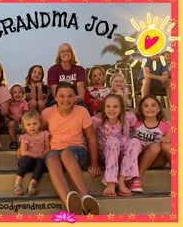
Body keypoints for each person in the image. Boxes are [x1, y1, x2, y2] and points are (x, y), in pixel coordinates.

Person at [42, 82, 101, 215]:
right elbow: (39, 134)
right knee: (51, 159)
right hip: (55, 151)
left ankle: (85, 198)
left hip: (76, 151)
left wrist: (94, 163)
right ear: (55, 97)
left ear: (75, 98)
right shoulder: (47, 113)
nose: (66, 100)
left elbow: (91, 138)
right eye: (61, 96)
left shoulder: (82, 111)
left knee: (66, 153)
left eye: (70, 96)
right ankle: (70, 203)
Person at [92, 94, 142, 197]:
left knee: (135, 141)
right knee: (113, 140)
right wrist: (93, 162)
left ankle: (122, 179)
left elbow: (142, 125)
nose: (111, 110)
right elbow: (87, 136)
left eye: (115, 106)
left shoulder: (129, 117)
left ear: (121, 108)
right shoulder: (97, 120)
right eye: (108, 106)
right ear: (103, 108)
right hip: (107, 153)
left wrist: (164, 121)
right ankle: (111, 182)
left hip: (125, 154)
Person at [130, 95, 171, 192]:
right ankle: (136, 179)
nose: (150, 108)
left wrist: (168, 137)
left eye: (153, 105)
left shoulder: (165, 126)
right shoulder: (135, 123)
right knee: (155, 146)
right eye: (146, 106)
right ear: (141, 109)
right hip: (140, 157)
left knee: (167, 145)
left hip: (158, 160)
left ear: (159, 109)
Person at [13, 110, 50, 196]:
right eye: (28, 124)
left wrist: (43, 153)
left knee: (42, 161)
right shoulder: (25, 137)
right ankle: (17, 183)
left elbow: (48, 148)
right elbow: (23, 151)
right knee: (26, 159)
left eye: (34, 123)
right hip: (27, 161)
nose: (32, 127)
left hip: (39, 160)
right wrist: (35, 155)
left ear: (40, 124)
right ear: (24, 127)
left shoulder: (44, 134)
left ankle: (32, 184)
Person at [8, 83, 29, 149]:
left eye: (19, 92)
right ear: (11, 94)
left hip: (21, 124)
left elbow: (26, 112)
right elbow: (7, 113)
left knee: (28, 124)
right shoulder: (9, 103)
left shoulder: (24, 102)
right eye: (15, 92)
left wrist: (22, 117)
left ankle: (26, 143)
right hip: (13, 124)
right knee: (11, 124)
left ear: (23, 94)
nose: (17, 94)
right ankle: (14, 141)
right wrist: (12, 116)